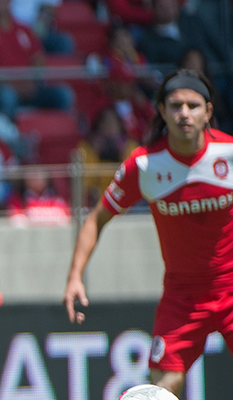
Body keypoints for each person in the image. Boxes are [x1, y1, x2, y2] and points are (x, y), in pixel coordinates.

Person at [62, 69, 233, 395]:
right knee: (162, 387)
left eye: (193, 105)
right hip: (181, 296)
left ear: (208, 111)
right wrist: (74, 276)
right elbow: (96, 219)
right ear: (161, 110)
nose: (184, 113)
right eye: (176, 105)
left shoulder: (229, 154)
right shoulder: (143, 166)